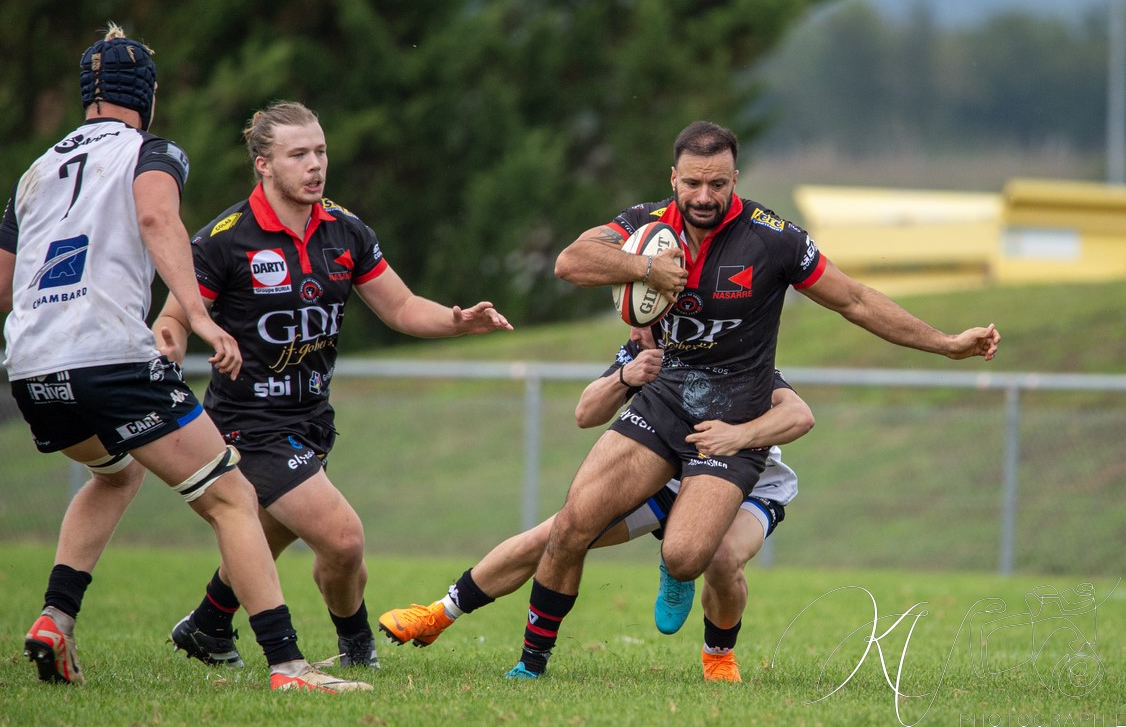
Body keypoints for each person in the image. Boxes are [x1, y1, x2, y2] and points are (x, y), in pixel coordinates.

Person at [506, 120, 1001, 679]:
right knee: (574, 523)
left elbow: (856, 300)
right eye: (692, 182)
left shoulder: (774, 239)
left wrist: (946, 344)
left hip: (736, 414)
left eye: (717, 183)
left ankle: (687, 585)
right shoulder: (646, 227)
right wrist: (645, 268)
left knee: (689, 557)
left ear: (735, 179)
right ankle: (531, 664)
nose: (703, 196)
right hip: (664, 402)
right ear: (674, 178)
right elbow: (570, 262)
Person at [1, 25, 369, 693]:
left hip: (33, 367)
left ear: (88, 93)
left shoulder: (37, 170)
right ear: (148, 93)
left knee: (113, 475)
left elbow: (3, 281)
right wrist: (196, 315)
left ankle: (55, 616)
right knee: (232, 496)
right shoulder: (151, 150)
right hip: (109, 355)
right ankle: (288, 664)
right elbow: (156, 220)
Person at [151, 100, 512, 673]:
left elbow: (400, 306)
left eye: (320, 151)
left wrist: (455, 319)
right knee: (342, 538)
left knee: (278, 533)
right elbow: (172, 317)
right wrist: (169, 340)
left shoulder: (345, 231)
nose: (315, 165)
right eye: (299, 154)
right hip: (247, 423)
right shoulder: (224, 240)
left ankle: (208, 624)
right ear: (263, 165)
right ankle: (357, 647)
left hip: (310, 419)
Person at [377, 324, 812, 682]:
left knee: (719, 558)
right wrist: (628, 375)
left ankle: (718, 656)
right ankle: (438, 615)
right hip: (670, 481)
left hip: (750, 483)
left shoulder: (730, 347)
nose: (640, 314)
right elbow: (585, 413)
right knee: (559, 534)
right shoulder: (645, 345)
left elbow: (798, 413)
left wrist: (739, 436)